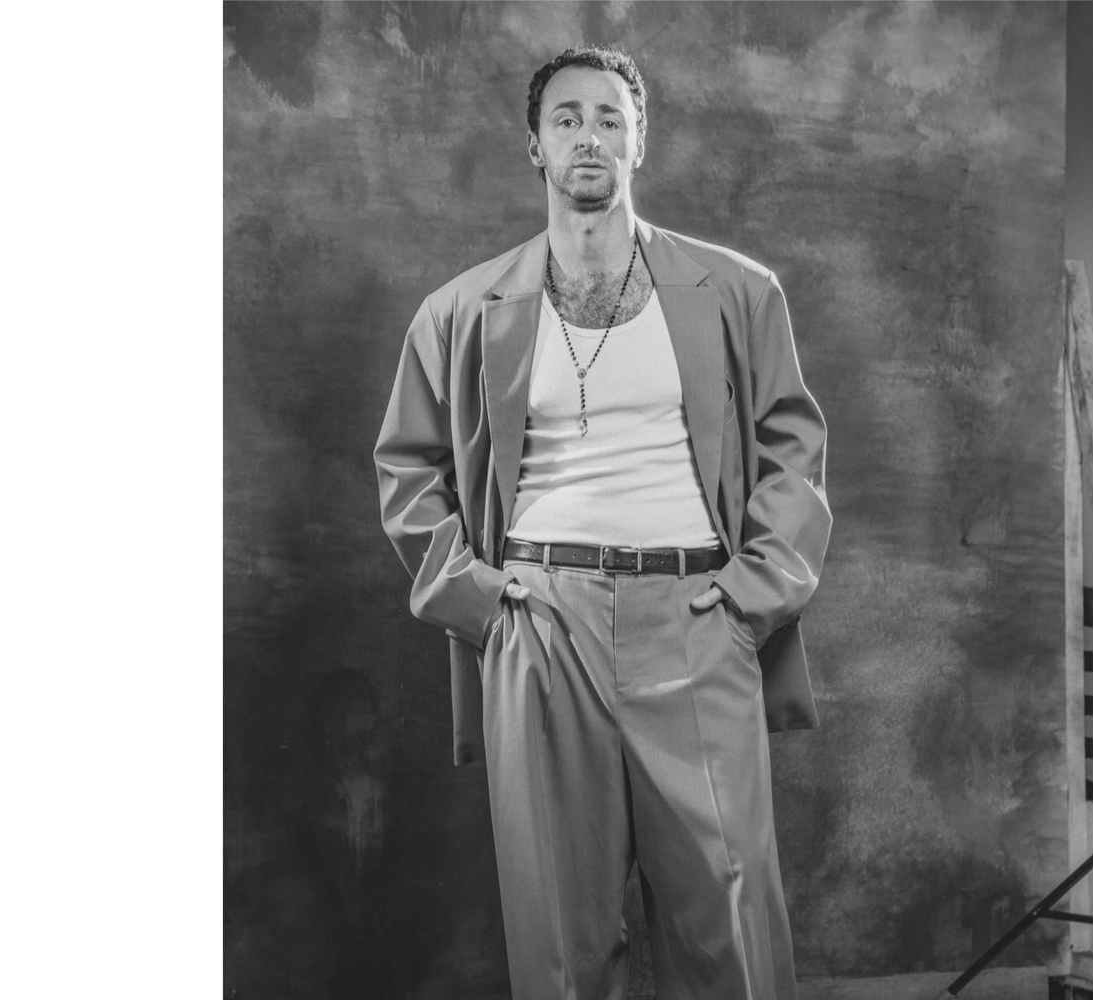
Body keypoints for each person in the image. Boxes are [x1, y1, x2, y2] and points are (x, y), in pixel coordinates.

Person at [374, 44, 831, 1000]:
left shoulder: (737, 292)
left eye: (610, 119)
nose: (590, 136)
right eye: (568, 119)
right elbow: (407, 469)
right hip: (539, 619)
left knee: (730, 914)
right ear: (535, 146)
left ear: (639, 142)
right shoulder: (460, 311)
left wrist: (748, 596)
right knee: (560, 930)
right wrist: (483, 602)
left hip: (696, 614)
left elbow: (794, 453)